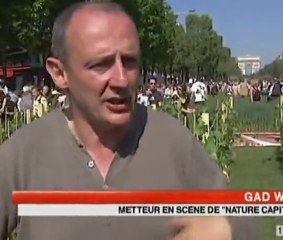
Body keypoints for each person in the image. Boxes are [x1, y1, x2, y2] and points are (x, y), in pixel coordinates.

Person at [0, 2, 256, 240]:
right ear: (59, 73)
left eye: (130, 62)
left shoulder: (171, 141)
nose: (122, 80)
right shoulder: (23, 155)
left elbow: (240, 221)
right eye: (101, 64)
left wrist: (223, 228)